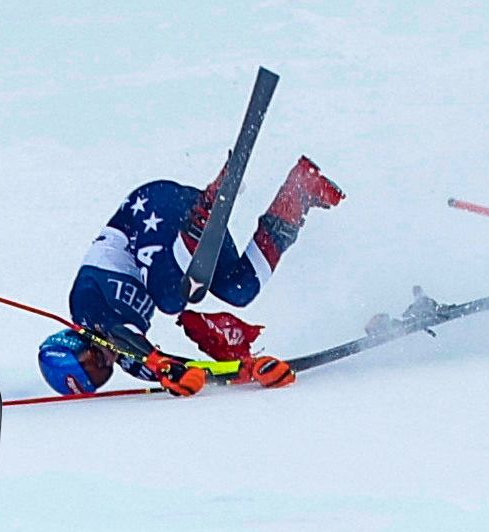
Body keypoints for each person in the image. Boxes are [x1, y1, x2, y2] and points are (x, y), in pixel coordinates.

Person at [38, 156, 344, 397]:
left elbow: (121, 333)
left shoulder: (85, 304)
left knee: (170, 297)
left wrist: (160, 365)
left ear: (75, 341)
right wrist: (247, 369)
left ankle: (207, 210)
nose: (104, 363)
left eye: (89, 362)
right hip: (179, 243)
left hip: (153, 209)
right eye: (99, 377)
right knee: (241, 289)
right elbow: (187, 368)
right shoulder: (133, 360)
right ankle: (298, 193)